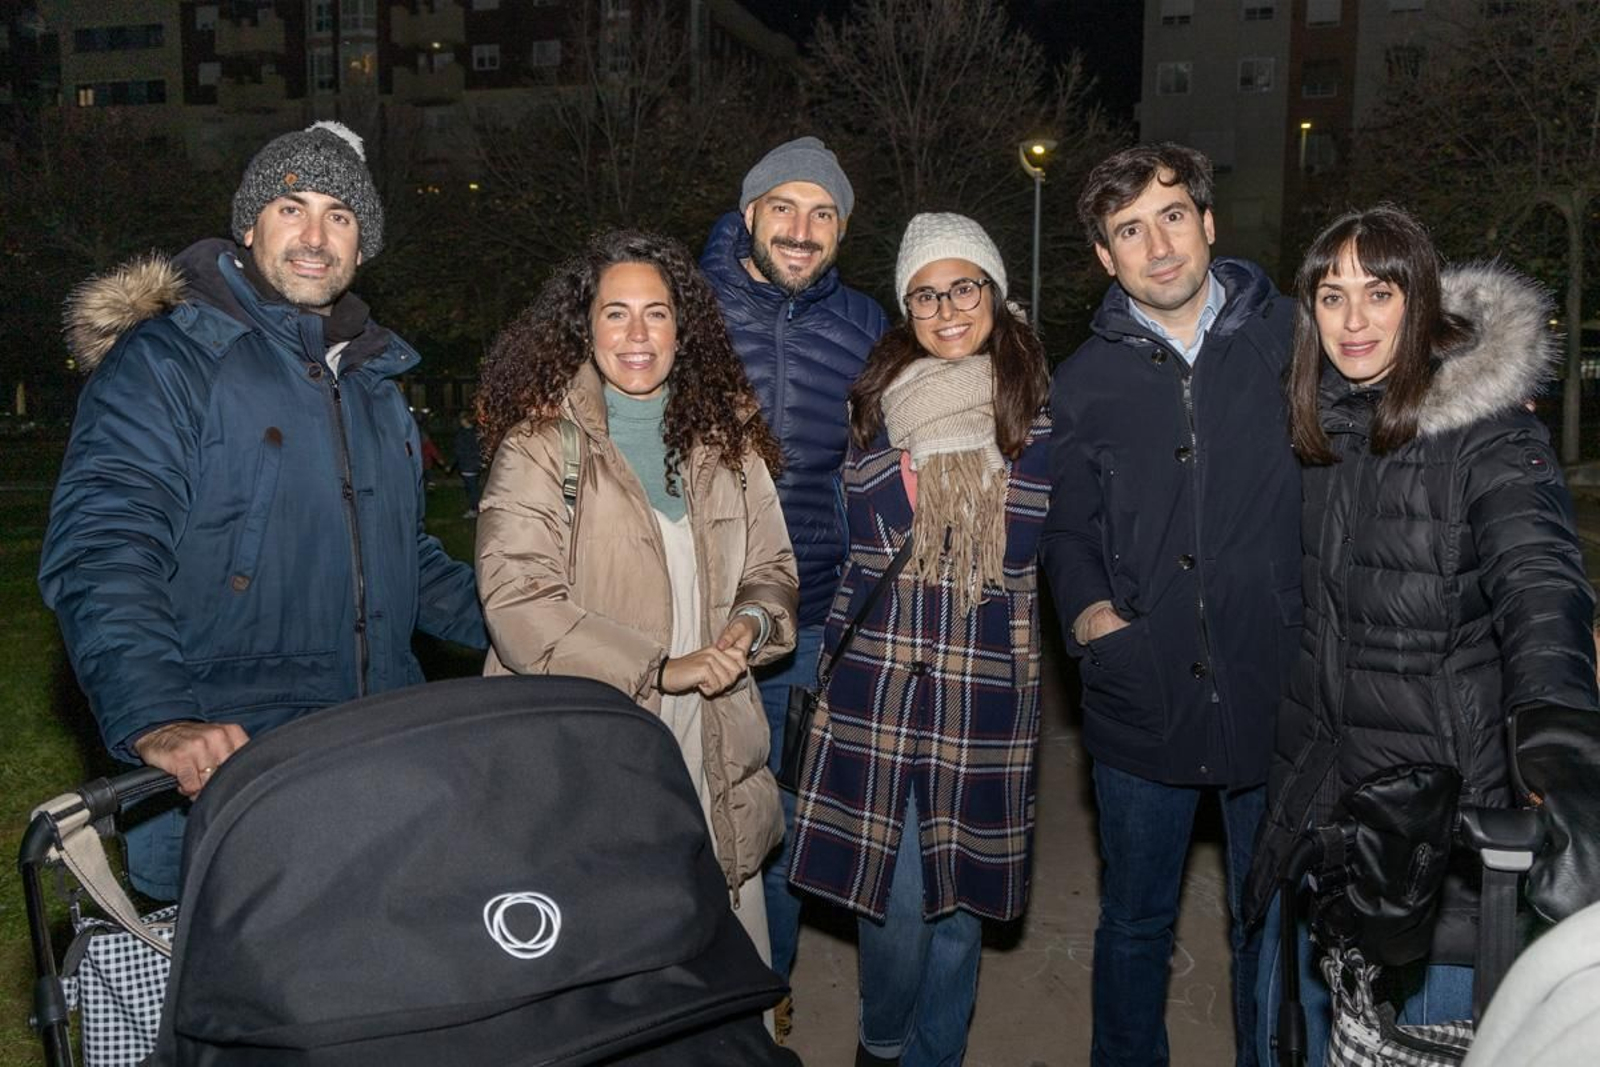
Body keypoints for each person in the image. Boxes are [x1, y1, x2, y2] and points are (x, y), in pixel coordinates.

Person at [39, 121, 486, 901]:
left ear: (362, 244)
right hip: (230, 780)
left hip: (381, 761)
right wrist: (159, 718)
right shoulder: (170, 359)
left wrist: (543, 623)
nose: (316, 235)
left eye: (340, 216)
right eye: (292, 207)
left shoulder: (374, 383)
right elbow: (104, 547)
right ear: (249, 224)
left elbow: (405, 562)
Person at [1244, 204, 1600, 1064]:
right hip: (1322, 811)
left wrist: (1561, 745)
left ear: (1424, 300)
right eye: (1332, 297)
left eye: (1380, 291)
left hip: (1439, 839)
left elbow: (1542, 589)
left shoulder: (1493, 438)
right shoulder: (1325, 431)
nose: (1354, 319)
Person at [1040, 143, 1301, 1067]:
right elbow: (1066, 533)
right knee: (1137, 921)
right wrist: (1089, 620)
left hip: (1277, 688)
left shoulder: (1294, 343)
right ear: (1105, 258)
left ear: (1209, 223)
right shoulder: (1078, 385)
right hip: (1139, 693)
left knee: (1266, 921)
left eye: (1172, 216)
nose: (1158, 247)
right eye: (1129, 230)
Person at [473, 229, 798, 963]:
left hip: (716, 737)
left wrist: (749, 625)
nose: (637, 334)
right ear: (584, 327)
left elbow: (773, 566)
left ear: (685, 327)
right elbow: (518, 603)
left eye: (656, 312)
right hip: (594, 736)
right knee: (617, 963)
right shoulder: (541, 444)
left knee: (724, 975)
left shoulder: (728, 437)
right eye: (615, 313)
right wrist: (662, 667)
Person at [786, 213, 1052, 1067]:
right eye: (926, 293)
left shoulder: (1039, 413)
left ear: (994, 293)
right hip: (878, 686)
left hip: (982, 691)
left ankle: (936, 1056)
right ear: (908, 305)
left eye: (962, 287)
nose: (945, 308)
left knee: (961, 914)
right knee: (895, 909)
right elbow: (842, 534)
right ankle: (881, 1042)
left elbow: (1058, 547)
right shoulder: (876, 400)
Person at [699, 134, 890, 1006]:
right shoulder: (685, 305)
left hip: (809, 621)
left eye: (823, 214)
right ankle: (689, 1004)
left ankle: (767, 1002)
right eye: (785, 208)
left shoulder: (867, 329)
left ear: (842, 231)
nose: (803, 229)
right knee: (683, 817)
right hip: (688, 613)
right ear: (750, 215)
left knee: (777, 820)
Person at [453, 410, 482, 517]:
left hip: (467, 465)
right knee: (473, 487)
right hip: (475, 465)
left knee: (471, 489)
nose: (460, 421)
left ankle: (474, 509)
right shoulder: (477, 432)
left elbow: (458, 451)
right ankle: (476, 508)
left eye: (461, 419)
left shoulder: (462, 434)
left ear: (465, 420)